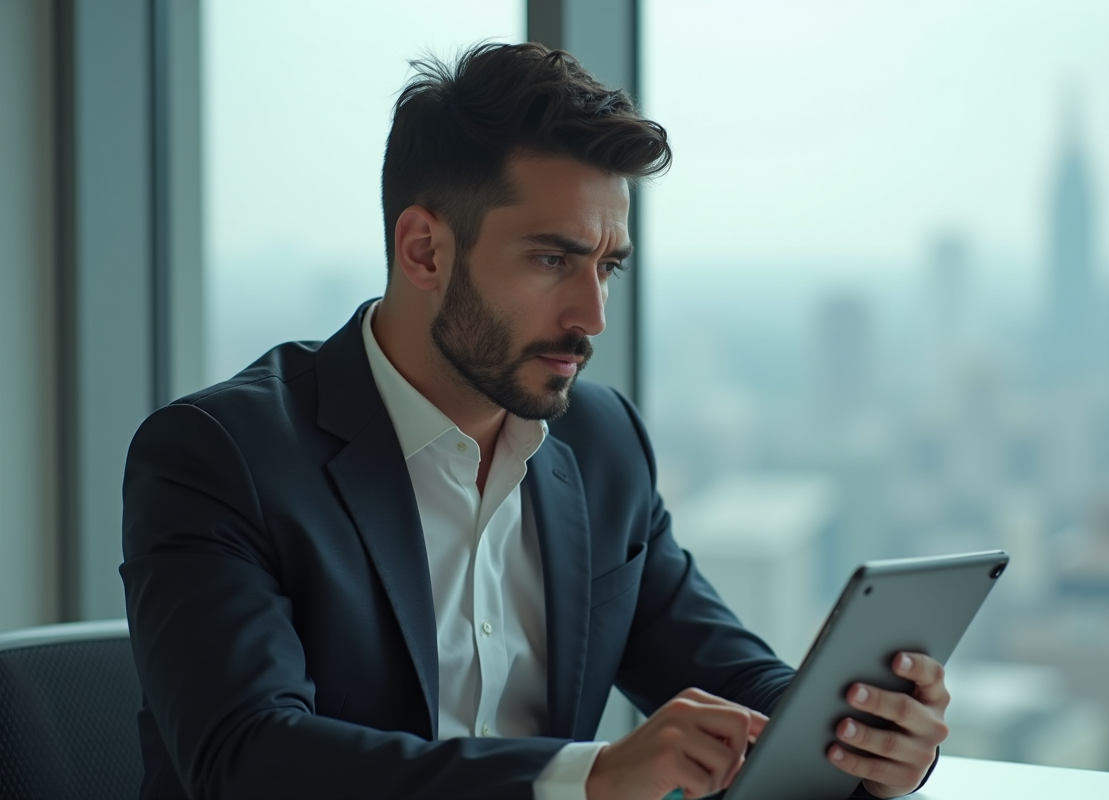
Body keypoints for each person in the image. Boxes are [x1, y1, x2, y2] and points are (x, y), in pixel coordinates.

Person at [121, 42, 949, 800]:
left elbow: (732, 678)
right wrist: (585, 778)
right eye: (552, 259)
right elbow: (246, 760)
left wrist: (867, 730)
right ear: (425, 251)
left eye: (609, 266)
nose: (591, 314)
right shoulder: (219, 457)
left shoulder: (601, 444)